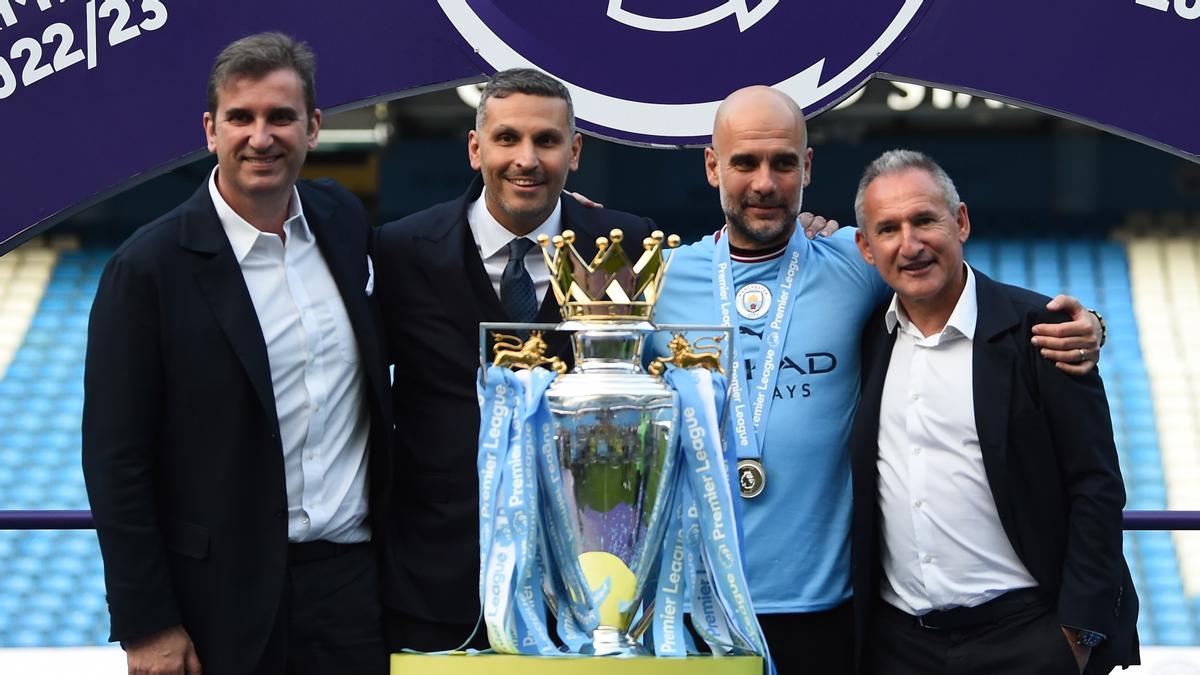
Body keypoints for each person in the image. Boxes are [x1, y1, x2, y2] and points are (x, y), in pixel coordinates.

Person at [651, 86, 1105, 674]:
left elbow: (954, 281)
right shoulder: (659, 280)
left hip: (832, 615)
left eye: (784, 162)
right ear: (713, 166)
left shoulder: (854, 262)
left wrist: (1090, 325)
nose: (765, 182)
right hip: (698, 611)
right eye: (745, 162)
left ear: (807, 167)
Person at [82, 33, 392, 675]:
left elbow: (435, 247)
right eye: (241, 118)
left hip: (349, 591)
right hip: (215, 603)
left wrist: (560, 219)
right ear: (209, 130)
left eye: (280, 117)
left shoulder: (340, 219)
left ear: (312, 127)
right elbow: (117, 463)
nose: (261, 137)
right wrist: (147, 625)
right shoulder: (148, 267)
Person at [371, 68, 656, 651]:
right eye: (507, 139)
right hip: (438, 583)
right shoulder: (399, 250)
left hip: (589, 582)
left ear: (574, 152)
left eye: (546, 141)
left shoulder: (625, 245)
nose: (526, 159)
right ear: (476, 148)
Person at [848, 149, 1139, 674]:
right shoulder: (864, 335)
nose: (910, 245)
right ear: (866, 249)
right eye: (888, 229)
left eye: (925, 220)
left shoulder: (1044, 332)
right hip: (897, 646)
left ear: (960, 221)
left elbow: (1096, 485)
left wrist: (1076, 639)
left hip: (1028, 638)